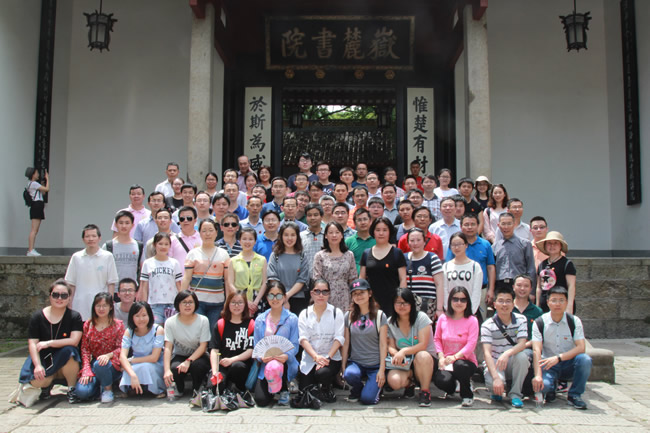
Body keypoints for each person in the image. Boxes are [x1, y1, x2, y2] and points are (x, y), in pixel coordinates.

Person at [19, 279, 82, 403]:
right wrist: (37, 365)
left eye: (64, 295)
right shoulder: (37, 317)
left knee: (70, 351)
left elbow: (74, 341)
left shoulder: (74, 316)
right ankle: (47, 385)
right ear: (50, 296)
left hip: (64, 357)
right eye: (55, 295)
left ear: (69, 298)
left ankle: (71, 389)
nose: (59, 298)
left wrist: (49, 343)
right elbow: (32, 343)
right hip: (44, 357)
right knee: (39, 381)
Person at [532, 286, 592, 409]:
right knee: (544, 386)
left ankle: (575, 395)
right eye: (554, 300)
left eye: (561, 300)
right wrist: (538, 375)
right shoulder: (540, 322)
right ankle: (551, 389)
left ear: (567, 302)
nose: (557, 304)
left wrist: (558, 358)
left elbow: (581, 347)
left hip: (568, 363)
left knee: (585, 359)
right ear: (548, 302)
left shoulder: (574, 321)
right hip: (548, 364)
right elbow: (536, 349)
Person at [386, 288, 436, 407]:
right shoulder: (390, 322)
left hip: (424, 361)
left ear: (412, 304)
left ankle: (425, 391)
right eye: (398, 302)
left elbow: (423, 345)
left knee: (422, 355)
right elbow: (391, 346)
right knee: (394, 381)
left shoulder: (421, 318)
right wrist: (396, 354)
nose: (401, 306)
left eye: (405, 303)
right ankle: (410, 383)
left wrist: (403, 351)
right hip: (405, 362)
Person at [253, 281, 300, 407]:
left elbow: (295, 344)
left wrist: (286, 355)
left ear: (284, 297)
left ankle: (284, 389)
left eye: (278, 295)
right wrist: (261, 357)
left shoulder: (292, 319)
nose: (275, 299)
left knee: (280, 364)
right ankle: (273, 389)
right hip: (266, 364)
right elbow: (257, 345)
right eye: (271, 295)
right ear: (266, 297)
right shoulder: (260, 320)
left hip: (285, 362)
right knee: (261, 400)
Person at [480, 286, 529, 408]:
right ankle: (498, 389)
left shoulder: (521, 319)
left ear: (513, 304)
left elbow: (522, 343)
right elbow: (487, 353)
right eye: (501, 301)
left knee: (523, 357)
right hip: (495, 362)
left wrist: (506, 354)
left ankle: (515, 394)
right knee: (494, 384)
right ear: (494, 304)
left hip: (511, 359)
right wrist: (496, 378)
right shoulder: (487, 325)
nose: (504, 305)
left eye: (508, 301)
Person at [341, 279, 388, 405]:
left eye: (362, 292)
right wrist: (343, 366)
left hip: (375, 365)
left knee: (368, 399)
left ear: (369, 293)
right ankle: (357, 389)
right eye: (355, 293)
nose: (359, 296)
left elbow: (383, 344)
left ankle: (375, 388)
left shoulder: (380, 316)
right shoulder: (348, 316)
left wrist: (382, 370)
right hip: (357, 363)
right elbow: (346, 343)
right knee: (350, 374)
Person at [298, 280, 345, 401]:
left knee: (322, 373)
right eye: (317, 291)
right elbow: (303, 339)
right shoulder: (304, 314)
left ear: (329, 294)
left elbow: (339, 339)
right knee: (305, 391)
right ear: (311, 293)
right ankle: (317, 386)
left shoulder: (336, 313)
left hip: (330, 358)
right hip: (310, 358)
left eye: (325, 292)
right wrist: (316, 357)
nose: (321, 295)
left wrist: (327, 358)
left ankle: (326, 388)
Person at [181, 220, 231, 332]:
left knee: (213, 332)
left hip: (217, 302)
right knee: (198, 332)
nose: (207, 234)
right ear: (199, 233)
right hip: (197, 301)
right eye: (204, 231)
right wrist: (182, 299)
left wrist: (227, 301)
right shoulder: (193, 254)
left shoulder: (223, 254)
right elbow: (187, 278)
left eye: (211, 230)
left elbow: (228, 280)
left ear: (216, 232)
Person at [75, 293, 125, 403]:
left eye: (104, 306)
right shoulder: (88, 324)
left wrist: (108, 356)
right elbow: (85, 349)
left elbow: (121, 348)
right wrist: (86, 370)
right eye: (98, 306)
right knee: (81, 392)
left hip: (112, 364)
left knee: (100, 364)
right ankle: (98, 387)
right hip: (94, 364)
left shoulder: (118, 325)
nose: (101, 309)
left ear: (110, 307)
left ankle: (108, 389)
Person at [433, 287, 479, 406]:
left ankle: (467, 394)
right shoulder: (443, 318)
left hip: (465, 361)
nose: (459, 302)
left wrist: (455, 357)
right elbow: (437, 339)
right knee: (441, 380)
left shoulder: (472, 320)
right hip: (446, 361)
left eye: (463, 300)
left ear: (467, 302)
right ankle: (452, 389)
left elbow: (471, 344)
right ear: (450, 301)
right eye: (455, 299)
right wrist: (441, 357)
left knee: (460, 365)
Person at [65, 224, 119, 320]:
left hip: (101, 305)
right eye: (87, 236)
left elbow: (111, 283)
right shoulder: (76, 257)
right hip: (79, 304)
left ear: (99, 238)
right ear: (83, 239)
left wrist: (109, 303)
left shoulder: (107, 256)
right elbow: (71, 283)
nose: (91, 239)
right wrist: (69, 302)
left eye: (94, 236)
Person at [163, 291, 211, 398]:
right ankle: (179, 389)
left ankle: (197, 390)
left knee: (197, 366)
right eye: (184, 302)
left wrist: (188, 361)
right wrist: (166, 370)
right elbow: (168, 348)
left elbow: (203, 346)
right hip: (180, 355)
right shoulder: (170, 322)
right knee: (175, 368)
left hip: (199, 355)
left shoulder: (203, 320)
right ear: (178, 304)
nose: (187, 305)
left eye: (190, 302)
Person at [449, 214, 496, 317]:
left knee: (479, 320)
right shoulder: (456, 244)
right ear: (461, 226)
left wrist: (491, 290)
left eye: (473, 224)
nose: (469, 227)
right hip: (458, 291)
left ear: (478, 226)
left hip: (481, 290)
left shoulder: (485, 244)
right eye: (466, 224)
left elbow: (490, 267)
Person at [360, 218, 407, 316]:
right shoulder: (366, 253)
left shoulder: (397, 253)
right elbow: (362, 278)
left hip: (392, 301)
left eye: (385, 230)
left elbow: (403, 279)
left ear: (390, 232)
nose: (381, 233)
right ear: (373, 232)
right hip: (371, 301)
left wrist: (401, 300)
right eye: (378, 230)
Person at [209, 291, 254, 392]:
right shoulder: (220, 324)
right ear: (228, 304)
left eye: (240, 302)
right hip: (223, 364)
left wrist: (232, 360)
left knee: (237, 367)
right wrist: (215, 372)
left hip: (241, 365)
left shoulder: (251, 324)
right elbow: (214, 350)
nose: (236, 306)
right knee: (216, 389)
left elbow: (250, 350)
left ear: (245, 305)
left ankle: (238, 389)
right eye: (233, 302)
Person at [118, 301, 166, 398]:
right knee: (129, 370)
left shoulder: (158, 330)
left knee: (145, 367)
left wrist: (131, 360)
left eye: (144, 315)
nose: (141, 319)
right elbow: (122, 356)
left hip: (154, 364)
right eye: (137, 316)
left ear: (150, 315)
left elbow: (154, 357)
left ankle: (155, 390)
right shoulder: (129, 331)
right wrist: (132, 375)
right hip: (136, 364)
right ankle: (134, 388)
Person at [312, 222, 358, 313]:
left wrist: (353, 300)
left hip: (345, 296)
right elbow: (317, 279)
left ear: (342, 235)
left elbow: (353, 279)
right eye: (331, 232)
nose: (334, 235)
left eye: (337, 232)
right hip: (325, 295)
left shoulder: (349, 255)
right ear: (326, 236)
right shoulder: (320, 256)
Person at [139, 232, 183, 325]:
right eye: (160, 243)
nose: (163, 247)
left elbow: (179, 285)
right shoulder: (147, 263)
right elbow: (144, 286)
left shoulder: (174, 263)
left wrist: (181, 302)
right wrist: (144, 305)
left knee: (170, 329)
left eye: (166, 244)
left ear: (170, 246)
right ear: (154, 245)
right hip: (154, 304)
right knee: (156, 328)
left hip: (172, 304)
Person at [267, 222, 310, 315]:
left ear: (297, 237)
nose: (289, 238)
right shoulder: (275, 255)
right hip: (276, 298)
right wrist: (281, 296)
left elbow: (302, 279)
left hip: (298, 299)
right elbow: (272, 278)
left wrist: (287, 296)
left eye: (293, 235)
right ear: (281, 236)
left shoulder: (302, 256)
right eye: (286, 235)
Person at [404, 228, 444, 322]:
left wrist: (439, 308)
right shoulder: (403, 258)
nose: (415, 243)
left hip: (428, 305)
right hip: (408, 305)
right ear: (408, 242)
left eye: (418, 240)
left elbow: (440, 284)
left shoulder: (432, 258)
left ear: (424, 241)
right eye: (412, 240)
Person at [227, 227, 268, 316]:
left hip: (257, 300)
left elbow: (265, 282)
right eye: (244, 239)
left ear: (255, 241)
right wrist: (244, 300)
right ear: (239, 241)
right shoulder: (233, 260)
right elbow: (230, 284)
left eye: (250, 239)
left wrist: (256, 302)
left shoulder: (262, 260)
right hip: (239, 300)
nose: (247, 242)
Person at [442, 233, 483, 318]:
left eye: (460, 244)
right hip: (451, 312)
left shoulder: (475, 266)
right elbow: (444, 289)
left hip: (469, 313)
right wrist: (448, 309)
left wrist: (471, 311)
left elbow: (476, 291)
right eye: (453, 245)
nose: (456, 247)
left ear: (466, 245)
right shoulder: (446, 266)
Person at [494, 213, 536, 291]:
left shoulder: (525, 244)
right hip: (500, 285)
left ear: (514, 224)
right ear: (499, 225)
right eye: (503, 224)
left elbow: (531, 269)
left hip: (520, 285)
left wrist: (532, 291)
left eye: (509, 224)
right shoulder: (495, 247)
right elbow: (492, 270)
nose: (506, 227)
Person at [536, 231, 576, 313]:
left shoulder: (567, 264)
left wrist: (569, 306)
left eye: (555, 243)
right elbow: (539, 287)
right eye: (549, 243)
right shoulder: (542, 264)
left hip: (560, 304)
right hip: (545, 304)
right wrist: (537, 305)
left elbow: (571, 286)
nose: (552, 246)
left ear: (561, 246)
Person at [104, 210, 144, 287]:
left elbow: (143, 270)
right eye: (121, 223)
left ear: (132, 225)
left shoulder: (138, 246)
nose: (124, 226)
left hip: (132, 289)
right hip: (113, 289)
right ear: (115, 225)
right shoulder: (108, 246)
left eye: (127, 223)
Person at [25, 167, 50, 256]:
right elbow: (47, 189)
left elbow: (43, 192)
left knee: (35, 230)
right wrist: (48, 179)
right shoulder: (34, 183)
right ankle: (31, 250)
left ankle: (31, 249)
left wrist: (42, 184)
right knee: (34, 230)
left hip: (36, 206)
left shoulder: (30, 184)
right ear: (33, 174)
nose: (38, 174)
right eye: (36, 173)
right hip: (37, 206)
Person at [170, 206, 202, 270]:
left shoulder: (203, 239)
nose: (185, 220)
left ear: (195, 220)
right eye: (182, 219)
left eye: (189, 218)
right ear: (179, 221)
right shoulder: (172, 240)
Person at [345, 208, 376, 273]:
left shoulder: (377, 240)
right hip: (354, 277)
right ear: (354, 223)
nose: (363, 222)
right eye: (359, 220)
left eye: (365, 219)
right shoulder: (348, 241)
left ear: (370, 221)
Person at [300, 203, 325, 270]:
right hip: (305, 274)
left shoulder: (327, 236)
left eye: (316, 215)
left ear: (322, 216)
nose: (312, 218)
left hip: (324, 275)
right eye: (309, 215)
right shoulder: (300, 236)